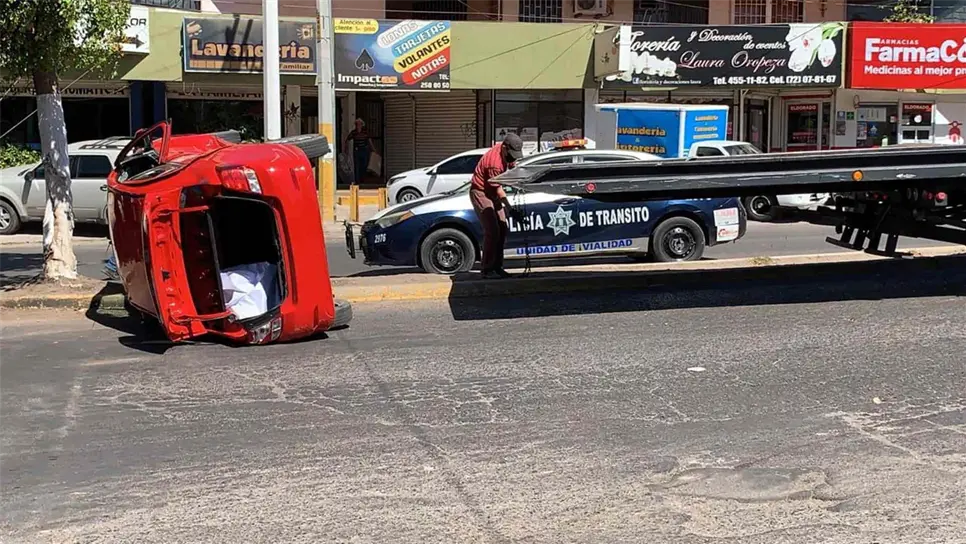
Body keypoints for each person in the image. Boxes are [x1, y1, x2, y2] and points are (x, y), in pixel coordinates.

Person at [470, 133, 525, 279]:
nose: (513, 157)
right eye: (512, 154)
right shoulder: (493, 163)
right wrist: (509, 207)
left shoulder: (507, 155)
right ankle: (487, 269)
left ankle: (497, 267)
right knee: (492, 230)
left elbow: (512, 172)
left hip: (492, 192)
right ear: (505, 148)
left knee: (502, 227)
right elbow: (498, 189)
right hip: (481, 192)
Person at [343, 118, 375, 184]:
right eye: (357, 124)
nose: (358, 125)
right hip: (357, 150)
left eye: (359, 124)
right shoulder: (353, 132)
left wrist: (373, 149)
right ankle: (357, 181)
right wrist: (346, 148)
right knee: (357, 166)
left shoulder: (365, 132)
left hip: (364, 150)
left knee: (364, 165)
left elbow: (369, 140)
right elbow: (347, 140)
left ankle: (363, 179)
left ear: (362, 125)